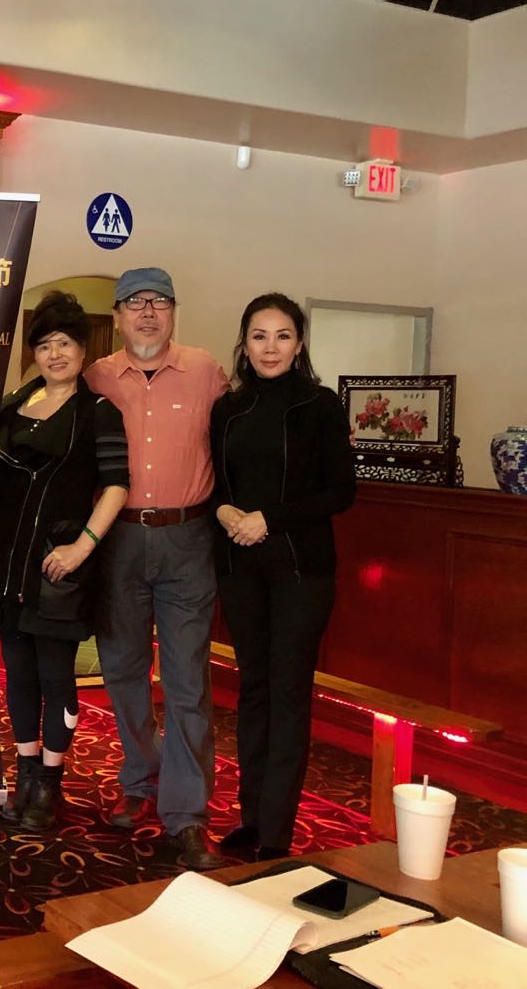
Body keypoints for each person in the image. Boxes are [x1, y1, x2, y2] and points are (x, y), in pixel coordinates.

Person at [85, 266, 230, 871]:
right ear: (118, 316)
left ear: (173, 312)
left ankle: (187, 812)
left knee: (187, 679)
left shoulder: (206, 372)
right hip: (117, 539)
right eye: (134, 302)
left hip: (187, 538)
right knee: (122, 670)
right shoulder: (96, 376)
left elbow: (232, 446)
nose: (147, 312)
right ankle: (139, 780)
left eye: (159, 302)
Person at [210, 293, 355, 860]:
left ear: (299, 344)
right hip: (240, 567)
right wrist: (224, 510)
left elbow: (340, 492)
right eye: (259, 336)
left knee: (288, 692)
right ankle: (251, 819)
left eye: (283, 335)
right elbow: (217, 485)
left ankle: (276, 832)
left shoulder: (320, 404)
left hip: (301, 569)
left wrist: (269, 518)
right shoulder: (229, 408)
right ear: (244, 344)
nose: (270, 347)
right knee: (253, 689)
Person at [0, 292, 129, 830]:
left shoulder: (98, 411)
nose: (55, 354)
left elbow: (116, 486)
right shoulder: (14, 406)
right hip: (8, 560)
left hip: (59, 564)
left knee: (55, 675)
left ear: (83, 349)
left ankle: (50, 781)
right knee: (18, 673)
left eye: (65, 343)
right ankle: (24, 773)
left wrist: (82, 546)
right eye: (44, 345)